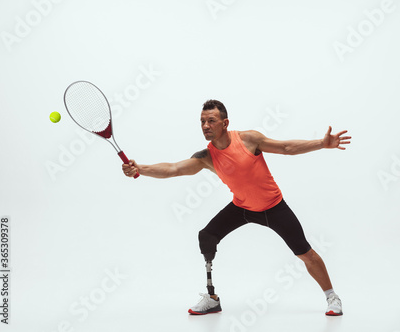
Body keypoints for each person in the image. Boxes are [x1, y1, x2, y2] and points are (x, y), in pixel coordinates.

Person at [122, 100, 351, 316]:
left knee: (305, 253)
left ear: (225, 123)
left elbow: (286, 147)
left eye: (211, 120)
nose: (205, 126)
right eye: (202, 121)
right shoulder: (206, 157)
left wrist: (322, 143)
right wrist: (140, 168)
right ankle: (212, 299)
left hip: (273, 207)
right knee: (207, 236)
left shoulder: (249, 139)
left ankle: (332, 297)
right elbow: (174, 169)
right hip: (241, 207)